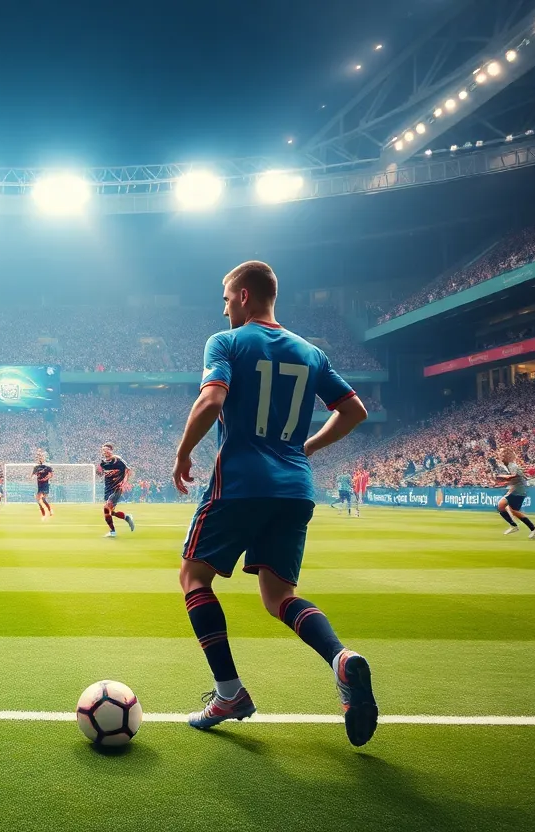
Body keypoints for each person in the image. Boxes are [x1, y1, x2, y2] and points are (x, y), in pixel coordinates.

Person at [172, 260, 376, 748]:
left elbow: (211, 402)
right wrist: (305, 447)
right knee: (279, 597)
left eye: (225, 300)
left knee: (194, 578)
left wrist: (182, 454)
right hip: (294, 489)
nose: (223, 310)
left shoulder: (226, 342)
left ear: (243, 295)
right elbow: (354, 411)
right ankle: (341, 660)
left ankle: (229, 693)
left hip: (240, 484)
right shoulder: (311, 353)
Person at [492, 447, 535, 538]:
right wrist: (503, 483)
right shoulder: (507, 465)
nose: (499, 456)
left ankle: (533, 529)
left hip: (519, 490)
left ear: (506, 456)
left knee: (514, 511)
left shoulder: (512, 465)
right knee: (501, 506)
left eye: (502, 454)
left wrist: (499, 476)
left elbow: (512, 477)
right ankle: (515, 526)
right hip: (515, 488)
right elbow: (514, 479)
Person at [98, 443, 135, 538]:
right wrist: (98, 470)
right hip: (108, 489)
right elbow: (100, 474)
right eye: (103, 450)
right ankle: (127, 517)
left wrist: (124, 483)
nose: (105, 451)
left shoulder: (117, 459)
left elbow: (128, 470)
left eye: (106, 449)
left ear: (111, 450)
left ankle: (112, 531)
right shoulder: (103, 462)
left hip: (117, 488)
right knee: (110, 512)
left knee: (106, 509)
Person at [31, 450, 54, 520]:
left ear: (43, 458)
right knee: (41, 500)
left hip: (45, 484)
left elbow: (51, 474)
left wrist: (45, 478)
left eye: (41, 457)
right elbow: (32, 475)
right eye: (38, 458)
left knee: (40, 498)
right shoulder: (36, 467)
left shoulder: (47, 466)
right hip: (39, 485)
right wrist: (33, 476)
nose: (39, 459)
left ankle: (45, 514)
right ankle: (49, 511)